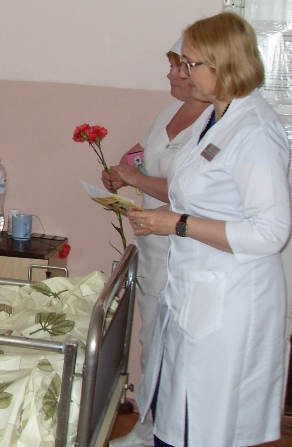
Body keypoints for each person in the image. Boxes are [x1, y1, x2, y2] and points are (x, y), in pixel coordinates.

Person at [127, 12, 291, 447]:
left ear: (223, 63)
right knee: (180, 421)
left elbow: (271, 232)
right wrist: (163, 216)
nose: (182, 73)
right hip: (196, 291)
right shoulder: (215, 119)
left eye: (190, 63)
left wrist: (177, 224)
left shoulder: (255, 131)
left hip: (230, 299)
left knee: (203, 427)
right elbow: (200, 193)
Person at [103, 37, 208, 447]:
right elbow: (140, 155)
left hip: (181, 246)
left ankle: (163, 430)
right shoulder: (169, 113)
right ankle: (148, 427)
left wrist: (135, 178)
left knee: (173, 348)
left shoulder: (212, 123)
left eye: (179, 67)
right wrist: (119, 171)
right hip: (151, 244)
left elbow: (187, 191)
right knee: (152, 342)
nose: (170, 74)